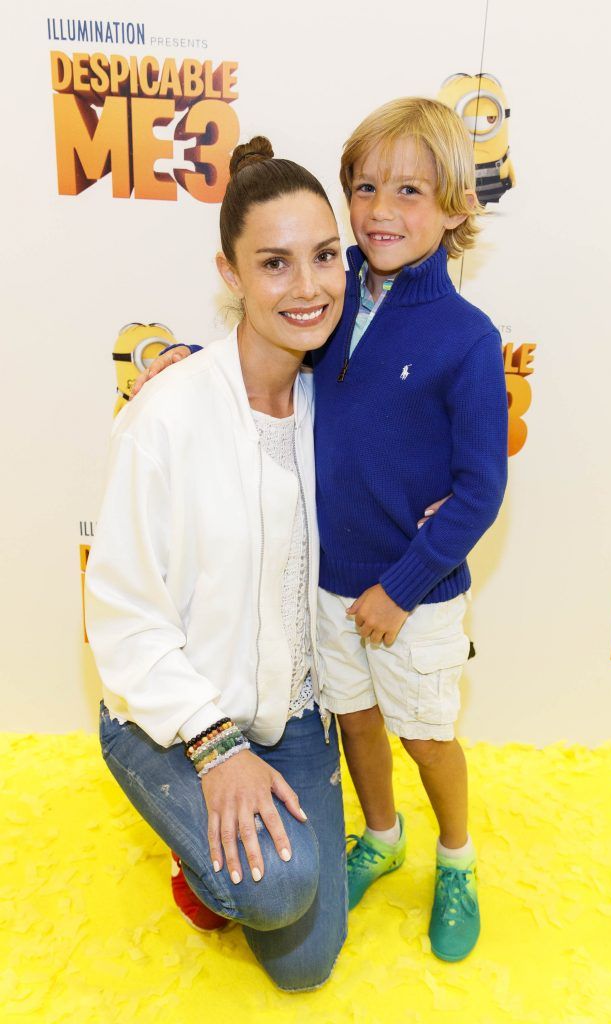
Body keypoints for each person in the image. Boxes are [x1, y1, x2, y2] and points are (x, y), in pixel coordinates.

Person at [139, 97, 509, 964]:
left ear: (455, 206)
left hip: (411, 598)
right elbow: (266, 346)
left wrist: (404, 585)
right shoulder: (330, 286)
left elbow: (479, 489)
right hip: (326, 586)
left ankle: (456, 856)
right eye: (366, 187)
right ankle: (380, 836)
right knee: (357, 727)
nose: (381, 211)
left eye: (410, 191)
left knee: (424, 734)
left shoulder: (466, 337)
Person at [85, 137, 349, 992]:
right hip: (173, 717)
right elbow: (123, 617)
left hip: (294, 710)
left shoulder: (330, 397)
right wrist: (215, 747)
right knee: (276, 889)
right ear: (229, 273)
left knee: (306, 966)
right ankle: (189, 835)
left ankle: (249, 833)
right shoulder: (167, 416)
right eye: (274, 263)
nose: (307, 288)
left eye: (323, 257)